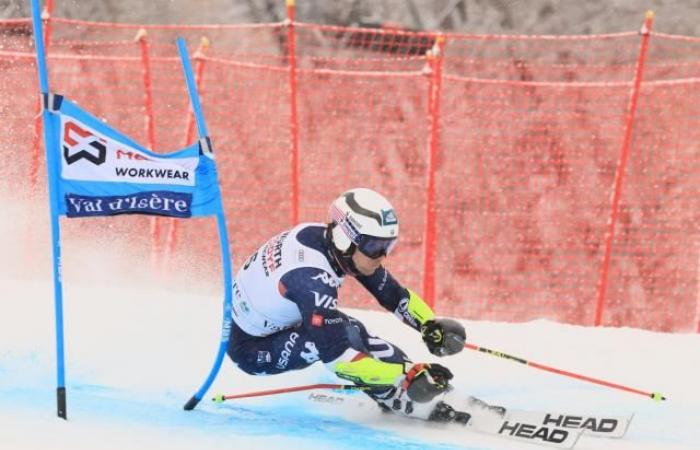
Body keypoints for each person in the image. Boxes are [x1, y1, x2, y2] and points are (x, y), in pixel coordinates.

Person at [227, 187, 468, 421]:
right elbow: (338, 358)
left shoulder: (334, 244)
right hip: (252, 348)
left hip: (267, 321)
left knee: (350, 329)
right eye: (376, 247)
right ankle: (395, 396)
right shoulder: (312, 279)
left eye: (388, 246)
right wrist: (404, 376)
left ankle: (402, 385)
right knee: (346, 334)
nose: (383, 256)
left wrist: (428, 323)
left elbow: (392, 294)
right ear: (346, 237)